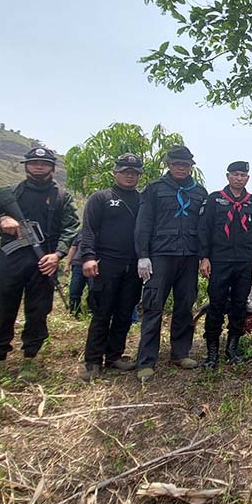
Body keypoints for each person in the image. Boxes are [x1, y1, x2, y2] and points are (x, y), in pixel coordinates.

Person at [0, 147, 78, 384]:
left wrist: (58, 254)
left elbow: (71, 227)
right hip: (10, 260)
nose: (39, 167)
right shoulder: (10, 193)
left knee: (38, 312)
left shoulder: (62, 197)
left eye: (44, 163)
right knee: (1, 309)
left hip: (44, 262)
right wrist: (1, 218)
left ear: (52, 168)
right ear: (26, 166)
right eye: (34, 163)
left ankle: (30, 358)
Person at [133, 145, 207, 382]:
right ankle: (146, 361)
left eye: (185, 165)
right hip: (160, 256)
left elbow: (204, 228)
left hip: (189, 256)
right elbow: (144, 223)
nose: (181, 168)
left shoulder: (200, 192)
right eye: (177, 164)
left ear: (191, 167)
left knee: (185, 305)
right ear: (169, 164)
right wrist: (143, 255)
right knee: (153, 306)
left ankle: (180, 353)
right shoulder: (154, 189)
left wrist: (204, 256)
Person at [77, 153, 145, 382]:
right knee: (102, 313)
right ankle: (93, 362)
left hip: (133, 266)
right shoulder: (101, 198)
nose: (130, 176)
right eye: (125, 172)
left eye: (134, 173)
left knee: (125, 313)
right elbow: (88, 230)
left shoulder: (143, 200)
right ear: (115, 173)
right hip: (106, 264)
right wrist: (88, 257)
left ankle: (114, 356)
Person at [199, 160, 252, 369]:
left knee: (239, 305)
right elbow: (204, 229)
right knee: (216, 304)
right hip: (219, 260)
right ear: (228, 176)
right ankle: (212, 352)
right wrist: (204, 257)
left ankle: (232, 348)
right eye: (235, 174)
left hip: (244, 261)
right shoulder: (215, 199)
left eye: (242, 175)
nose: (239, 178)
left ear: (247, 178)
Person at [66, 232, 86, 317]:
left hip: (94, 265)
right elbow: (73, 248)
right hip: (78, 265)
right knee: (74, 290)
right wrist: (67, 264)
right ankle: (74, 312)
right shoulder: (81, 232)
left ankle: (91, 312)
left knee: (93, 291)